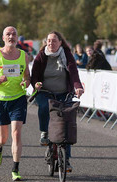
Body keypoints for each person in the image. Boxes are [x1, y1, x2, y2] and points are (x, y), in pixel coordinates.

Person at [0, 26, 30, 181]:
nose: (11, 36)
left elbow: (27, 76)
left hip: (18, 99)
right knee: (3, 138)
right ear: (3, 38)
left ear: (17, 38)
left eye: (14, 34)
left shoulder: (23, 55)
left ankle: (15, 169)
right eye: (8, 34)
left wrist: (26, 83)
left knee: (16, 134)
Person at [31, 30, 84, 172]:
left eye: (54, 40)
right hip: (45, 92)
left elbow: (74, 73)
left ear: (60, 42)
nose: (51, 43)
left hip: (63, 93)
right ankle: (44, 133)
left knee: (66, 126)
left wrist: (77, 87)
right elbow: (34, 75)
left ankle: (66, 160)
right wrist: (36, 84)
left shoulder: (66, 55)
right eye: (48, 40)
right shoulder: (41, 56)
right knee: (43, 107)